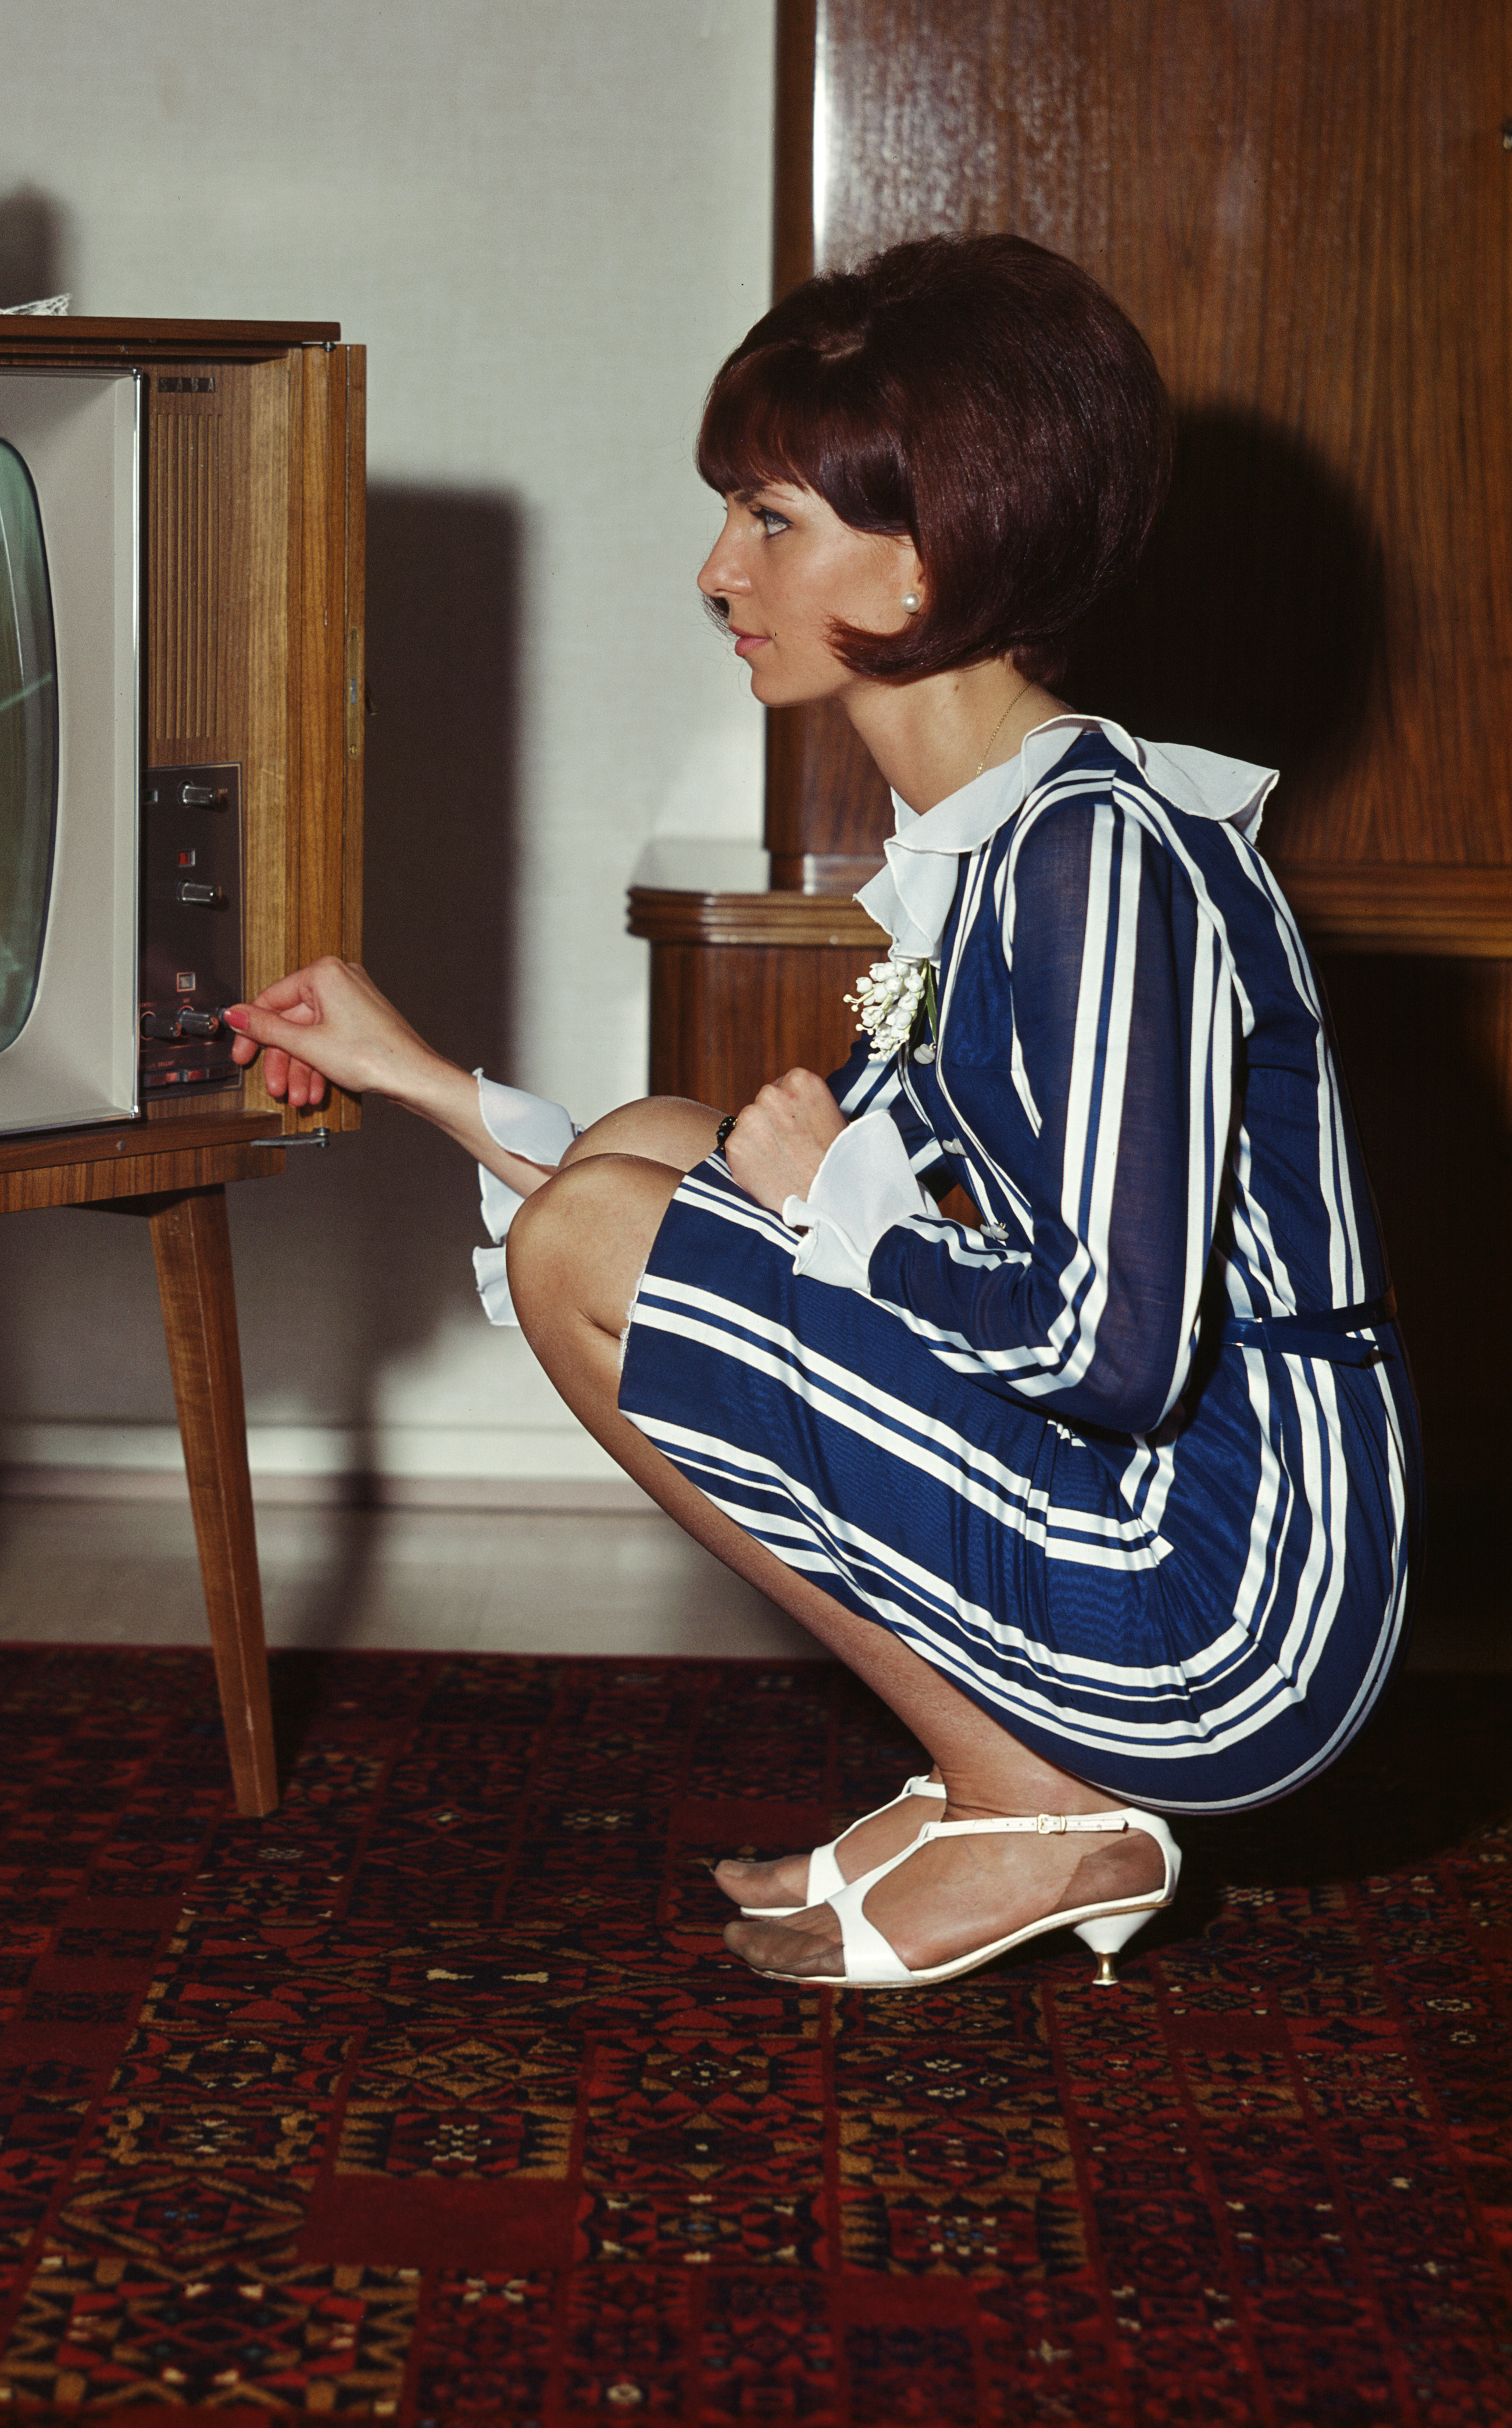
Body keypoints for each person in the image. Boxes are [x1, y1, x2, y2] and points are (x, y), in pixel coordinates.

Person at [224, 234, 1418, 1992]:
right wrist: (422, 1078)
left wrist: (845, 1197)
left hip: (1234, 1591)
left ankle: (1033, 1796)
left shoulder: (1097, 863)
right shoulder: (1005, 839)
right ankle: (998, 1775)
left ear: (935, 547)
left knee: (601, 1227)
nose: (717, 568)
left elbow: (1107, 1350)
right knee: (635, 1146)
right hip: (1154, 1513)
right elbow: (740, 1205)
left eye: (771, 520)